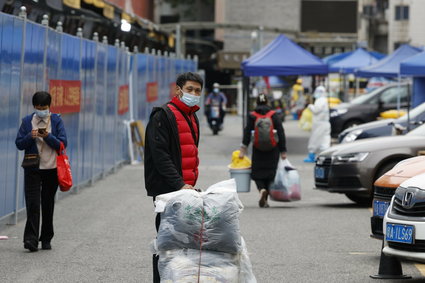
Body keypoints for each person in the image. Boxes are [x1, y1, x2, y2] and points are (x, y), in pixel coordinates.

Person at [144, 72, 203, 283]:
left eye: (197, 91)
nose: (194, 94)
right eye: (189, 89)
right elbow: (160, 156)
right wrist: (179, 184)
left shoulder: (192, 116)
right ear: (178, 89)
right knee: (166, 242)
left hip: (187, 190)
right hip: (168, 191)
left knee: (185, 243)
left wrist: (189, 186)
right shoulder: (163, 116)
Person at [15, 91, 68, 252]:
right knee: (32, 204)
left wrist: (47, 136)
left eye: (44, 108)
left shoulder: (56, 120)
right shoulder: (27, 121)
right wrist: (30, 136)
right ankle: (31, 239)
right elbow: (19, 143)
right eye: (38, 108)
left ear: (49, 107)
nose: (41, 111)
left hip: (51, 169)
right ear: (34, 107)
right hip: (32, 168)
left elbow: (63, 143)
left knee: (47, 204)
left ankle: (46, 238)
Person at [238, 93, 287, 208]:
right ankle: (266, 197)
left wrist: (243, 148)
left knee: (258, 173)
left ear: (257, 103)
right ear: (267, 103)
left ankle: (261, 190)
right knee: (271, 173)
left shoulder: (252, 116)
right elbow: (281, 132)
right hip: (273, 149)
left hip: (258, 149)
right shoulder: (274, 115)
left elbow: (247, 133)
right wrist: (283, 150)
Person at [303, 85, 331, 163]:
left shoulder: (320, 100)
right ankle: (326, 156)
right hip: (325, 124)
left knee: (315, 139)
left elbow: (316, 110)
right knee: (325, 140)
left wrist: (310, 106)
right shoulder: (324, 100)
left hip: (319, 124)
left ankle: (311, 155)